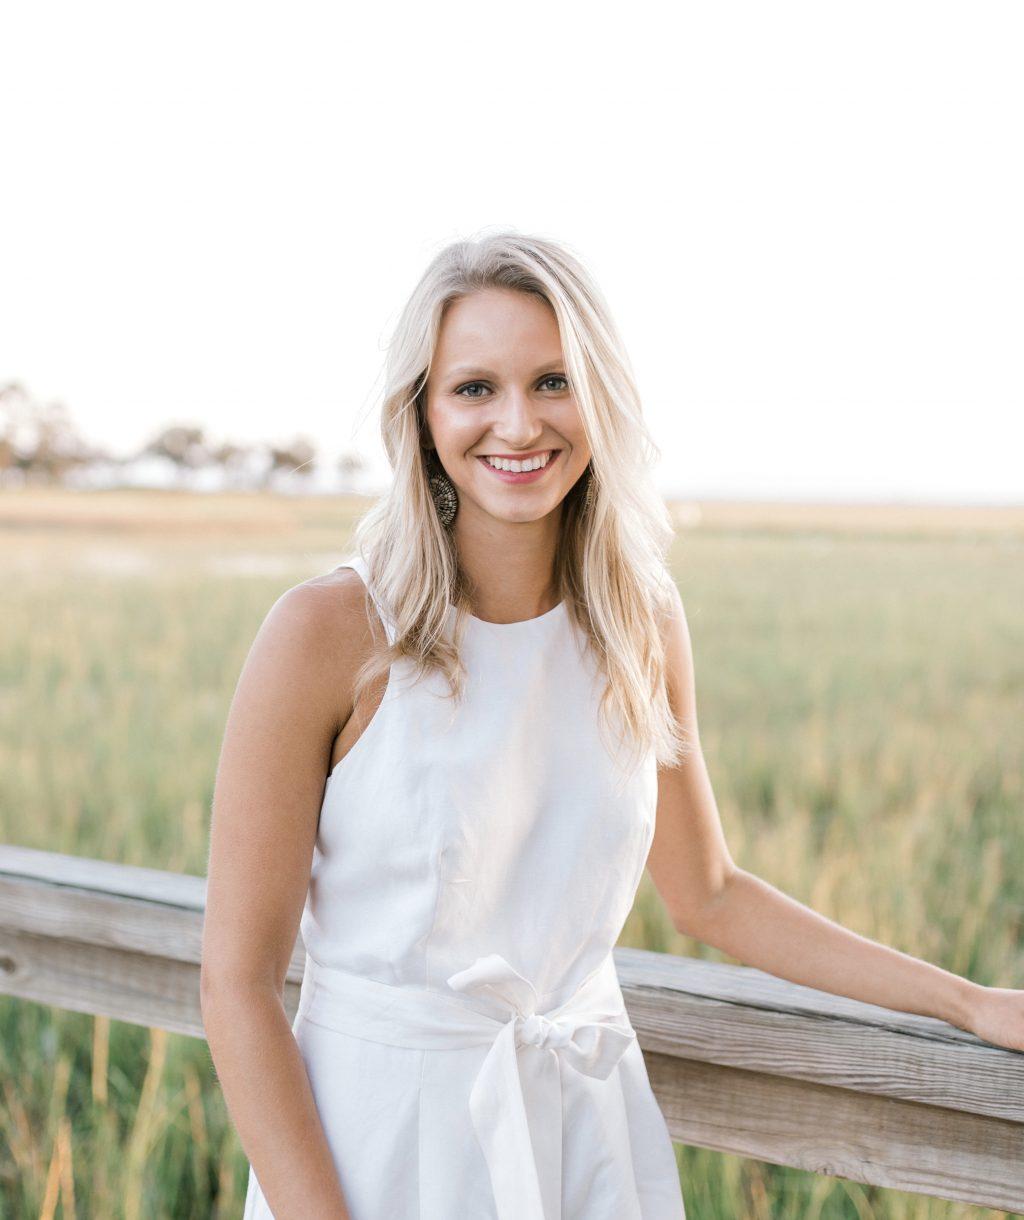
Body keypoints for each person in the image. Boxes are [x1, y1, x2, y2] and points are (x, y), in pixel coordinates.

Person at [200, 230, 1023, 1220]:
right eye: (473, 387)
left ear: (601, 397)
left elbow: (710, 892)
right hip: (377, 1152)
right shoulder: (328, 631)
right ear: (419, 409)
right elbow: (236, 982)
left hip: (583, 1138)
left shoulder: (640, 618)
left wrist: (969, 1002)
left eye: (554, 380)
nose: (518, 421)